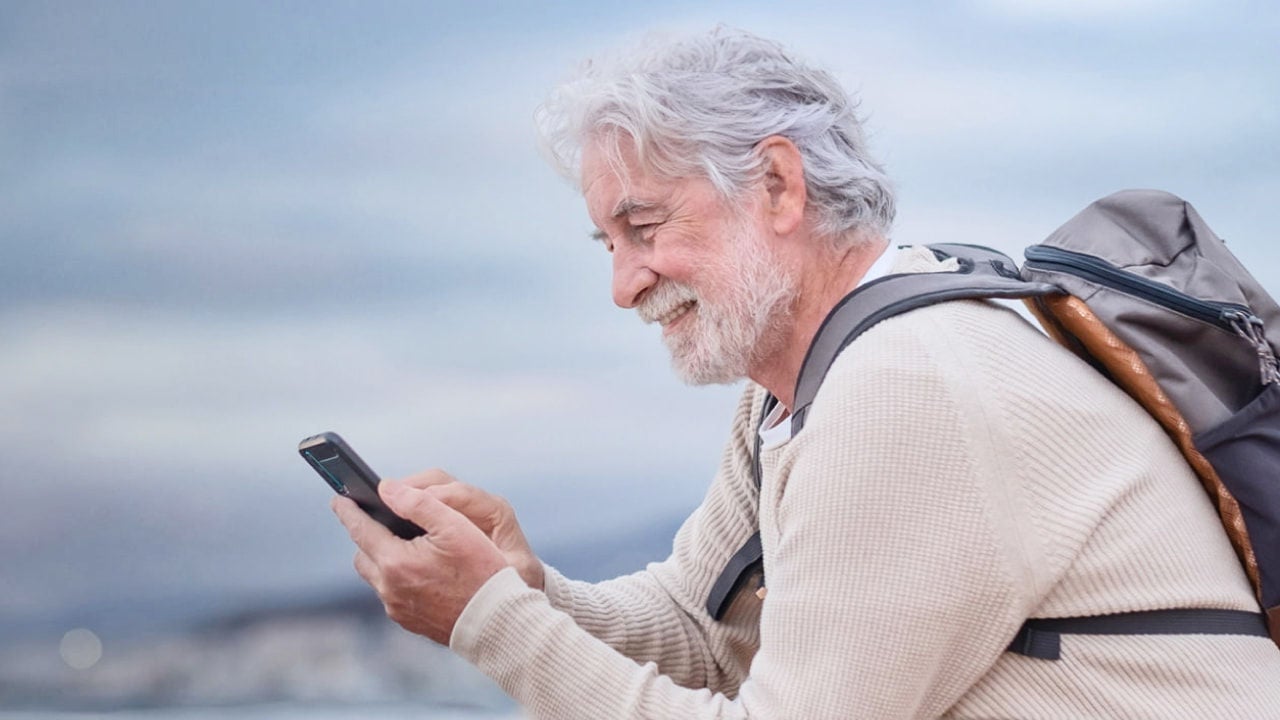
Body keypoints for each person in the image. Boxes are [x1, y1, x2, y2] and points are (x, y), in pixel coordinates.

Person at [332, 27, 1280, 718]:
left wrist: (488, 619)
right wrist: (524, 586)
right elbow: (705, 632)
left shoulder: (906, 382)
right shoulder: (794, 390)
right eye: (607, 242)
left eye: (644, 228)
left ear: (779, 186)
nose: (623, 287)